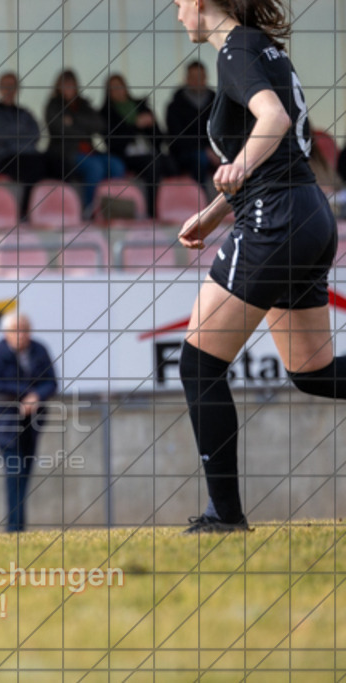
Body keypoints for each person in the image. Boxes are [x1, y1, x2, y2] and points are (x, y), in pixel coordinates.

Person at [174, 0, 339, 533]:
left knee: (199, 365)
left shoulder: (236, 47)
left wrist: (238, 165)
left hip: (277, 221)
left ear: (200, 4)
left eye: (178, 5)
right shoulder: (263, 49)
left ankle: (224, 516)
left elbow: (275, 119)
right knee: (313, 374)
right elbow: (280, 148)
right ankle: (224, 513)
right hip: (308, 215)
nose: (178, 16)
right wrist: (212, 213)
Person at [0, 313, 57, 532]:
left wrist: (36, 397)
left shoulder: (39, 350)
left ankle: (17, 526)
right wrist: (26, 395)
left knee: (25, 472)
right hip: (5, 424)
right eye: (16, 330)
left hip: (32, 423)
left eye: (24, 329)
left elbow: (51, 382)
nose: (21, 334)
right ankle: (14, 528)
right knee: (14, 472)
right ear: (6, 333)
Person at [44, 70, 126, 210]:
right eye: (65, 84)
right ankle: (90, 209)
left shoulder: (83, 105)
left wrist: (74, 120)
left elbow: (99, 124)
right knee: (94, 167)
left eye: (71, 84)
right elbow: (60, 130)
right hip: (66, 154)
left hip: (90, 151)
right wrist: (84, 129)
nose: (69, 88)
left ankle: (110, 206)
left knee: (116, 165)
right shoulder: (53, 105)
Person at [99, 73, 177, 217]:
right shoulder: (105, 113)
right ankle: (152, 212)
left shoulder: (141, 106)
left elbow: (161, 139)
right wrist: (135, 125)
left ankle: (178, 209)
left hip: (150, 152)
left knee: (173, 163)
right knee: (153, 164)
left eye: (120, 87)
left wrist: (151, 125)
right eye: (113, 88)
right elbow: (112, 143)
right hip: (126, 157)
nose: (118, 91)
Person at [0, 71, 47, 216]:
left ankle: (55, 211)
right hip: (5, 158)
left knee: (57, 164)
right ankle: (25, 213)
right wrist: (22, 133)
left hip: (29, 155)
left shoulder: (25, 113)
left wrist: (13, 133)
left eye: (12, 85)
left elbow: (36, 134)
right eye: (6, 85)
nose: (9, 89)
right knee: (32, 168)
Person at [166, 60, 220, 188]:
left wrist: (217, 150)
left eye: (200, 77)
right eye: (193, 77)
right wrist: (205, 150)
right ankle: (202, 200)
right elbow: (177, 138)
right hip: (185, 153)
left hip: (214, 150)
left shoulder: (217, 102)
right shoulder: (175, 105)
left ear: (206, 77)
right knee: (200, 158)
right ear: (187, 79)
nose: (197, 81)